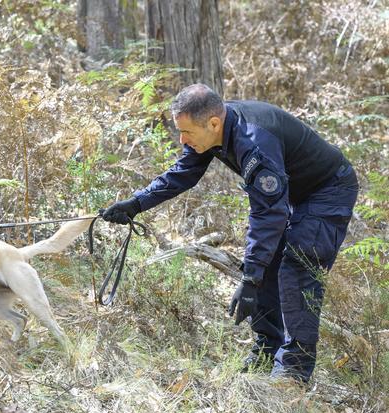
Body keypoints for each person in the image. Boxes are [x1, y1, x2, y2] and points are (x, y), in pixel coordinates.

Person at [101, 84, 358, 383]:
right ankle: (266, 350)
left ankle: (293, 371)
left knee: (297, 265)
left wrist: (250, 278)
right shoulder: (212, 129)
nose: (183, 140)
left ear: (213, 123)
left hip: (329, 190)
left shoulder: (255, 142)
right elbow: (183, 172)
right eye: (180, 132)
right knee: (266, 261)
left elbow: (268, 213)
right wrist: (136, 203)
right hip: (294, 192)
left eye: (187, 133)